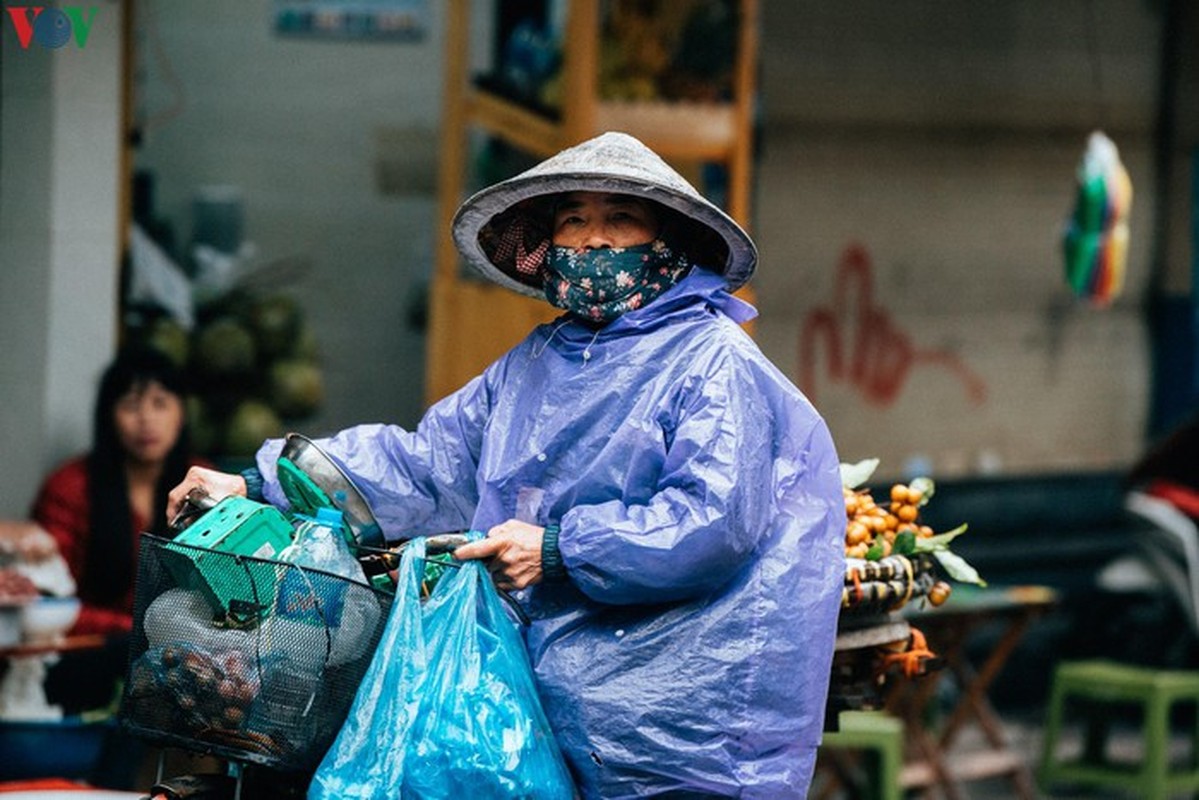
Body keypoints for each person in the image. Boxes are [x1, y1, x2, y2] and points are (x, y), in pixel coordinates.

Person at [168, 132, 846, 798]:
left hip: (683, 725)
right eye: (573, 220)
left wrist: (559, 550)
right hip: (545, 704)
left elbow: (711, 522)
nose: (591, 241)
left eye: (620, 218)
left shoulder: (713, 361)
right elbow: (425, 465)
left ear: (666, 239)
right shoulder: (533, 364)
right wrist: (259, 485)